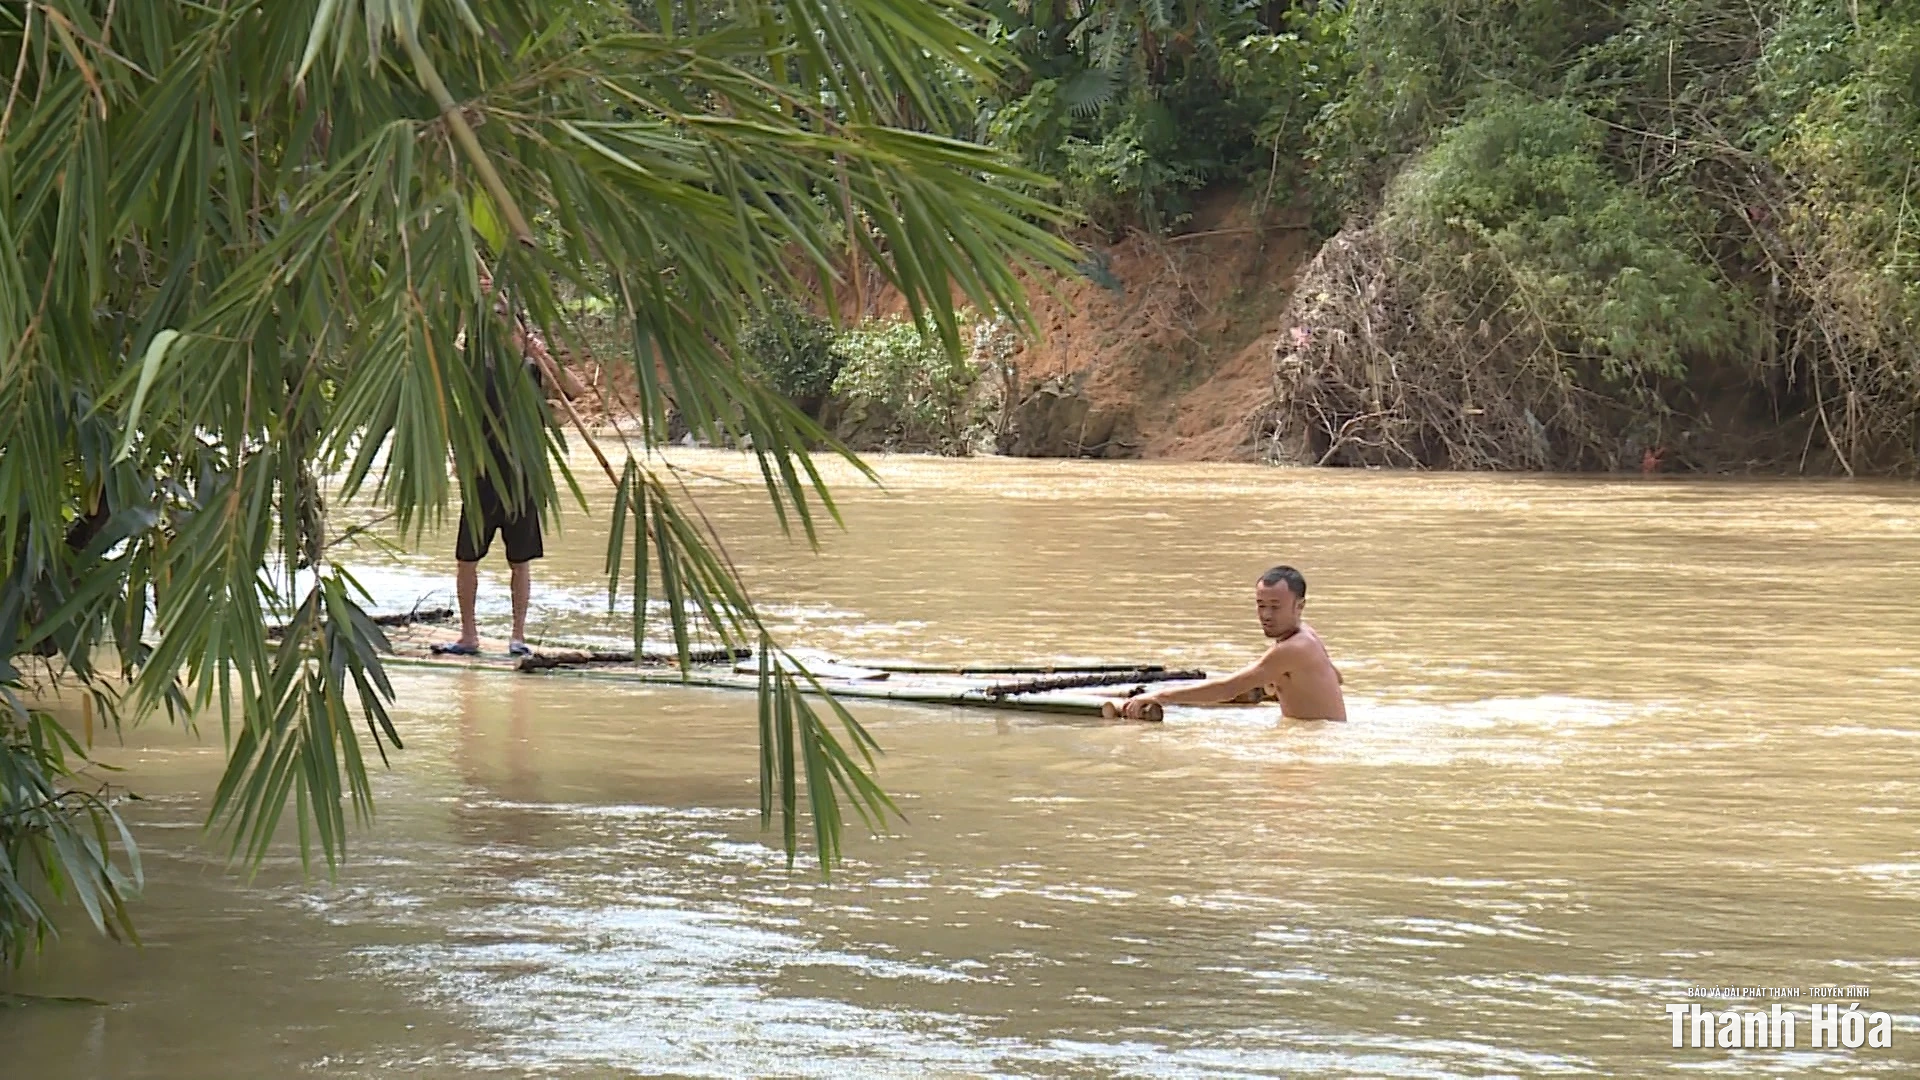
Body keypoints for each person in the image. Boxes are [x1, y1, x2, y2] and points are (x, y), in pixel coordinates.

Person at [434, 270, 584, 658]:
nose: (498, 326)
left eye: (504, 318)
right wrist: (476, 300)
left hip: (522, 477)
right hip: (481, 474)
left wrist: (540, 354)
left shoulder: (532, 367)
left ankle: (518, 636)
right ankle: (469, 636)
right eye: (492, 319)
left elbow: (575, 390)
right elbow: (439, 345)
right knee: (466, 558)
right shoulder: (472, 365)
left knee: (520, 560)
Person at [1115, 565, 1347, 721]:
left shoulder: (1293, 648)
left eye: (1275, 607)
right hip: (1318, 736)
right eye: (1261, 605)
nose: (1266, 615)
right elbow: (1336, 678)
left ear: (1300, 606)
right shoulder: (1307, 635)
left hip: (1314, 745)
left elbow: (1227, 689)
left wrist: (1158, 697)